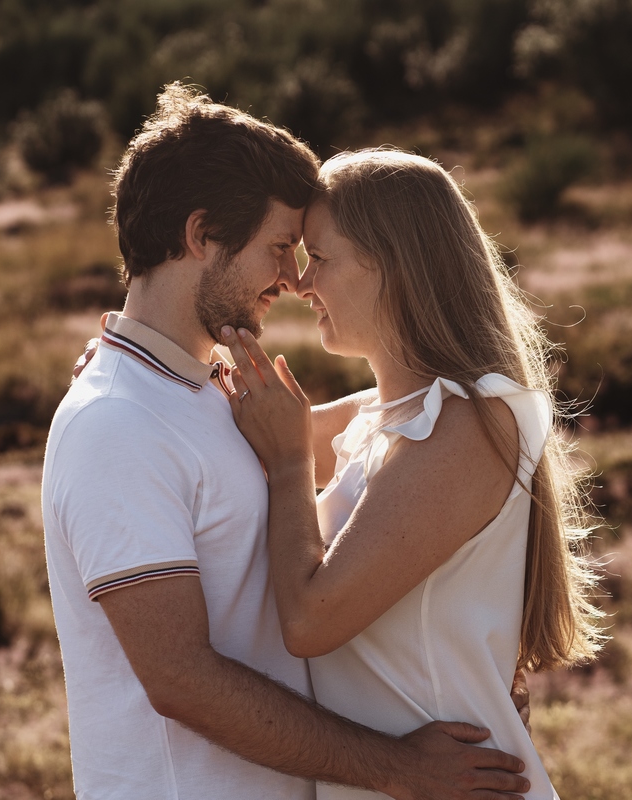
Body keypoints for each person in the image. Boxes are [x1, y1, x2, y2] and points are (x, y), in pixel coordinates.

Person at [42, 84, 531, 800]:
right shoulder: (115, 424)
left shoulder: (209, 391)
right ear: (199, 235)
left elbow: (407, 433)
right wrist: (397, 767)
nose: (293, 278)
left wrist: (472, 665)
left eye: (306, 255)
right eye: (279, 247)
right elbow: (180, 679)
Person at [222, 149, 606, 800]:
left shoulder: (469, 424)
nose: (302, 283)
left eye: (321, 257)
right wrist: (141, 371)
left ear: (394, 265)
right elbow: (223, 438)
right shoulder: (380, 417)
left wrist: (291, 467)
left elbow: (311, 623)